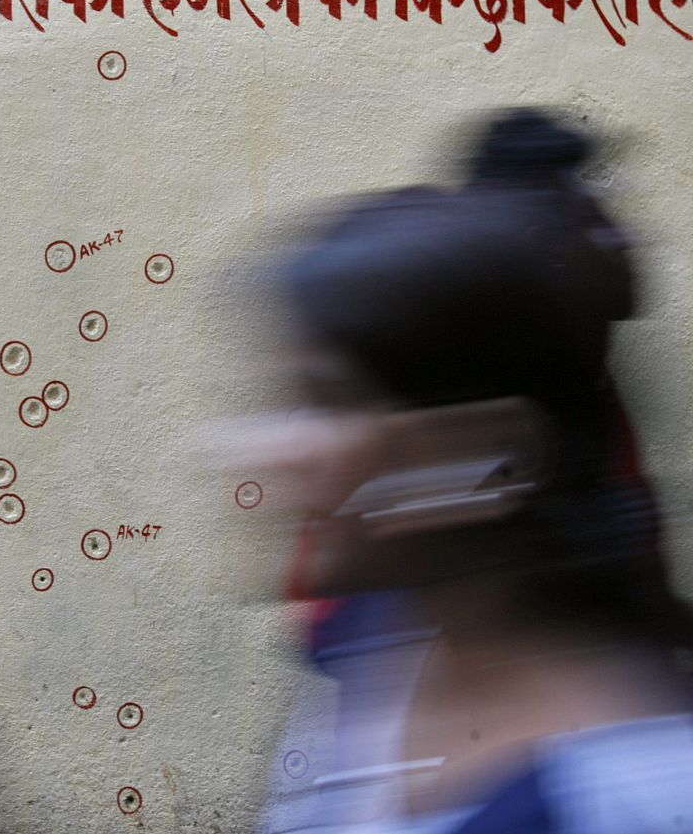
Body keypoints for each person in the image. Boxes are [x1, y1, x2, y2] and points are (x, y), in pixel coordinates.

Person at [255, 109, 693, 833]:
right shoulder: (382, 652)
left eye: (326, 399)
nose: (272, 449)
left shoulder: (617, 789)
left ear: (465, 444)